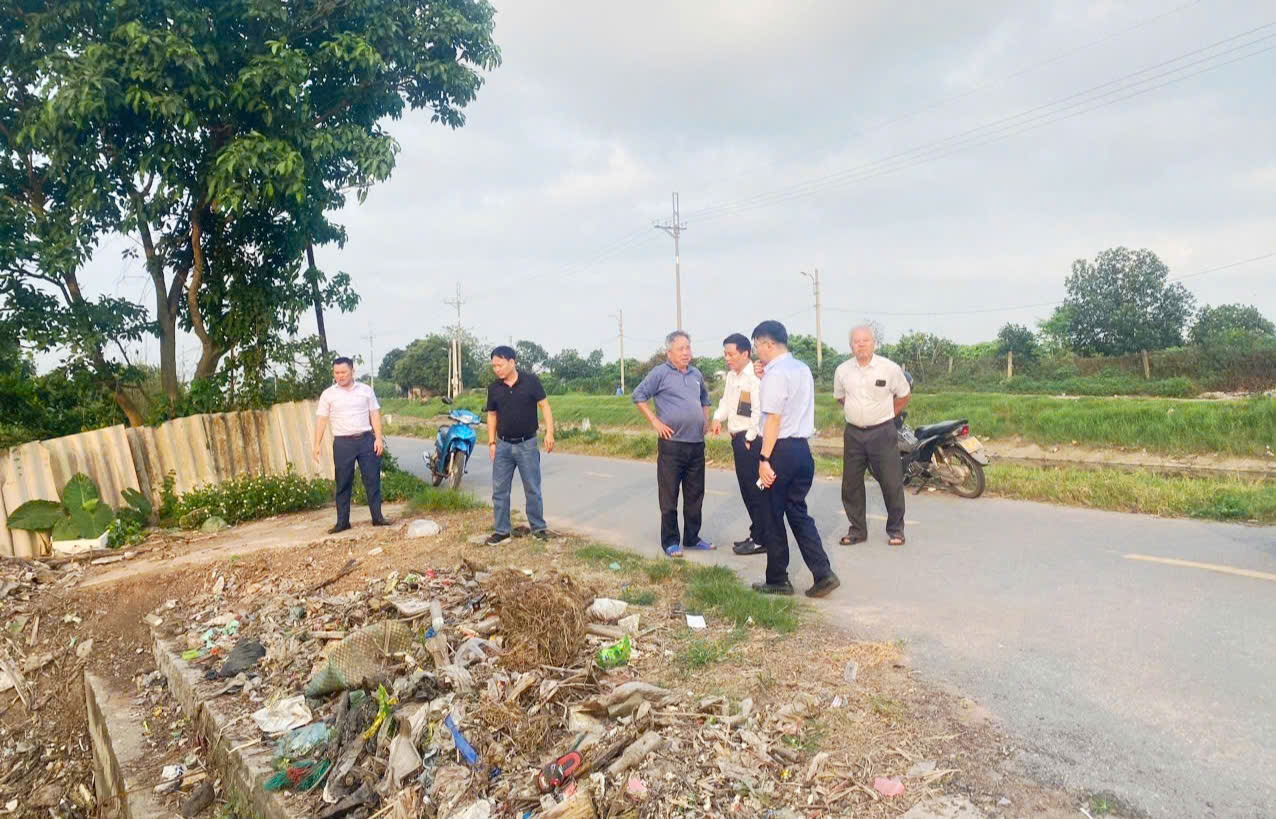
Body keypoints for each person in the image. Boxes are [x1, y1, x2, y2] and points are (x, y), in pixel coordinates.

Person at [750, 320, 840, 598]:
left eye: (757, 347)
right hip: (802, 450)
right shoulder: (801, 368)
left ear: (768, 344)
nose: (757, 354)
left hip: (781, 451)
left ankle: (777, 578)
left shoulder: (776, 375)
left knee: (772, 515)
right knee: (798, 512)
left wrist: (764, 458)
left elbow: (774, 419)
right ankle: (822, 572)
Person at [632, 330, 714, 558]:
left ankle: (692, 537)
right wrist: (655, 422)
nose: (687, 353)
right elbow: (638, 396)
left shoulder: (696, 373)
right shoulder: (660, 373)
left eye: (688, 347)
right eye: (681, 349)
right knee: (669, 496)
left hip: (696, 444)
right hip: (672, 445)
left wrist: (705, 419)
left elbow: (705, 399)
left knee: (695, 494)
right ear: (669, 352)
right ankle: (670, 542)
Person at [833, 325, 911, 546]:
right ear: (851, 346)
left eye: (865, 340)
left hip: (882, 432)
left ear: (874, 343)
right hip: (854, 434)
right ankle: (857, 530)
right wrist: (858, 412)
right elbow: (840, 397)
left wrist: (888, 414)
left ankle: (896, 530)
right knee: (851, 483)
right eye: (856, 341)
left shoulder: (889, 368)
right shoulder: (842, 370)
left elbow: (904, 395)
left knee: (891, 481)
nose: (861, 345)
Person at [484, 346, 555, 545]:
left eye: (499, 365)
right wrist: (491, 442)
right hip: (503, 445)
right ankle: (502, 530)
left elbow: (545, 406)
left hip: (527, 444)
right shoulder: (494, 389)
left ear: (512, 362)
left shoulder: (531, 381)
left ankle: (538, 528)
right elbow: (491, 415)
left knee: (532, 488)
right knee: (499, 490)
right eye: (494, 366)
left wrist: (549, 432)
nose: (496, 369)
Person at [312, 357, 388, 534]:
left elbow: (374, 414)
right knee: (343, 482)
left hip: (366, 440)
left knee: (372, 480)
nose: (340, 376)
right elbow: (322, 420)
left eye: (343, 372)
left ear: (352, 371)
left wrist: (378, 438)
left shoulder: (366, 391)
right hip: (342, 443)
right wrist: (316, 444)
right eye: (336, 373)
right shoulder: (328, 395)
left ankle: (377, 518)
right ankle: (342, 522)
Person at [710, 333, 766, 556]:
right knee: (747, 491)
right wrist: (717, 418)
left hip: (750, 441)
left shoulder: (756, 377)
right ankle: (757, 533)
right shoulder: (732, 377)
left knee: (756, 491)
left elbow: (759, 411)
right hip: (738, 439)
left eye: (731, 354)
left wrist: (751, 438)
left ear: (745, 353)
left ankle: (763, 538)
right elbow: (725, 402)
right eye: (725, 353)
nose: (727, 358)